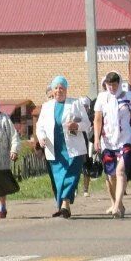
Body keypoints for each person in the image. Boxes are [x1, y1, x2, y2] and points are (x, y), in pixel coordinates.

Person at [35, 76, 91, 218]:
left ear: (66, 89)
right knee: (58, 178)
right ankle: (61, 205)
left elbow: (87, 123)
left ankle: (65, 203)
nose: (59, 90)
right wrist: (41, 137)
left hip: (73, 147)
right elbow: (40, 126)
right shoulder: (47, 106)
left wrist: (76, 126)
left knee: (71, 175)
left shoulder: (75, 103)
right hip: (54, 147)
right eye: (56, 88)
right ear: (52, 90)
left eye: (62, 88)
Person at [93, 72, 131, 218]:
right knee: (110, 175)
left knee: (120, 171)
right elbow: (97, 119)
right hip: (107, 141)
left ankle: (117, 205)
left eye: (114, 84)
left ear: (119, 84)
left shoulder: (129, 97)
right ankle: (117, 204)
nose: (112, 87)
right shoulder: (102, 98)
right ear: (105, 85)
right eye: (109, 85)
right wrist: (96, 139)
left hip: (125, 139)